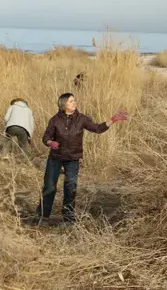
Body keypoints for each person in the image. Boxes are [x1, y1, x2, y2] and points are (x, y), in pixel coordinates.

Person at [37, 93, 129, 223]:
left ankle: (68, 216)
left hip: (73, 158)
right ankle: (43, 215)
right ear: (63, 104)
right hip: (55, 158)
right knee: (49, 187)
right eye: (71, 101)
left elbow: (97, 128)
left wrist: (113, 120)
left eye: (74, 100)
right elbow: (46, 137)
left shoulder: (81, 119)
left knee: (71, 187)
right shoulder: (55, 120)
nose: (74, 103)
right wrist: (50, 143)